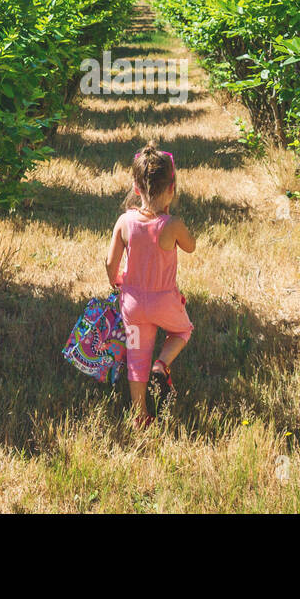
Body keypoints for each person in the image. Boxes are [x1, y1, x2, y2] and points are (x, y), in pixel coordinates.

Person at [105, 141, 196, 426]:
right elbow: (191, 246)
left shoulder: (124, 221)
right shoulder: (172, 224)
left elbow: (110, 263)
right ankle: (162, 364)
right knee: (182, 331)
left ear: (136, 188)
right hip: (164, 301)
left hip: (132, 303)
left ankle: (140, 414)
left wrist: (117, 282)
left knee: (136, 355)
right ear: (172, 188)